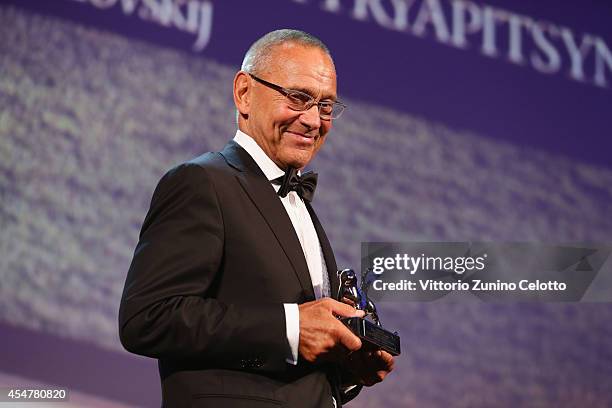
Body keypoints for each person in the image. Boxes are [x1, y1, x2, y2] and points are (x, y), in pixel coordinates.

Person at [118, 29, 394, 408]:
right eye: (299, 98)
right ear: (244, 92)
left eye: (326, 106)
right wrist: (292, 328)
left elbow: (281, 362)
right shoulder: (202, 182)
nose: (314, 120)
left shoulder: (300, 204)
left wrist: (347, 364)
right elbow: (148, 318)